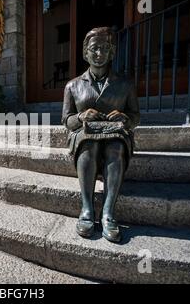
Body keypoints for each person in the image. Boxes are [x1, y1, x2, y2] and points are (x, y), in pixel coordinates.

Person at [62, 27, 140, 243]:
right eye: (94, 49)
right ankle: (87, 208)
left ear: (112, 52)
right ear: (85, 53)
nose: (99, 53)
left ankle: (108, 213)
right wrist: (81, 117)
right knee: (89, 148)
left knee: (115, 149)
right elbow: (66, 121)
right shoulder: (73, 86)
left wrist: (125, 119)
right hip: (85, 134)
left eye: (104, 49)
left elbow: (136, 116)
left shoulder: (125, 84)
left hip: (115, 134)